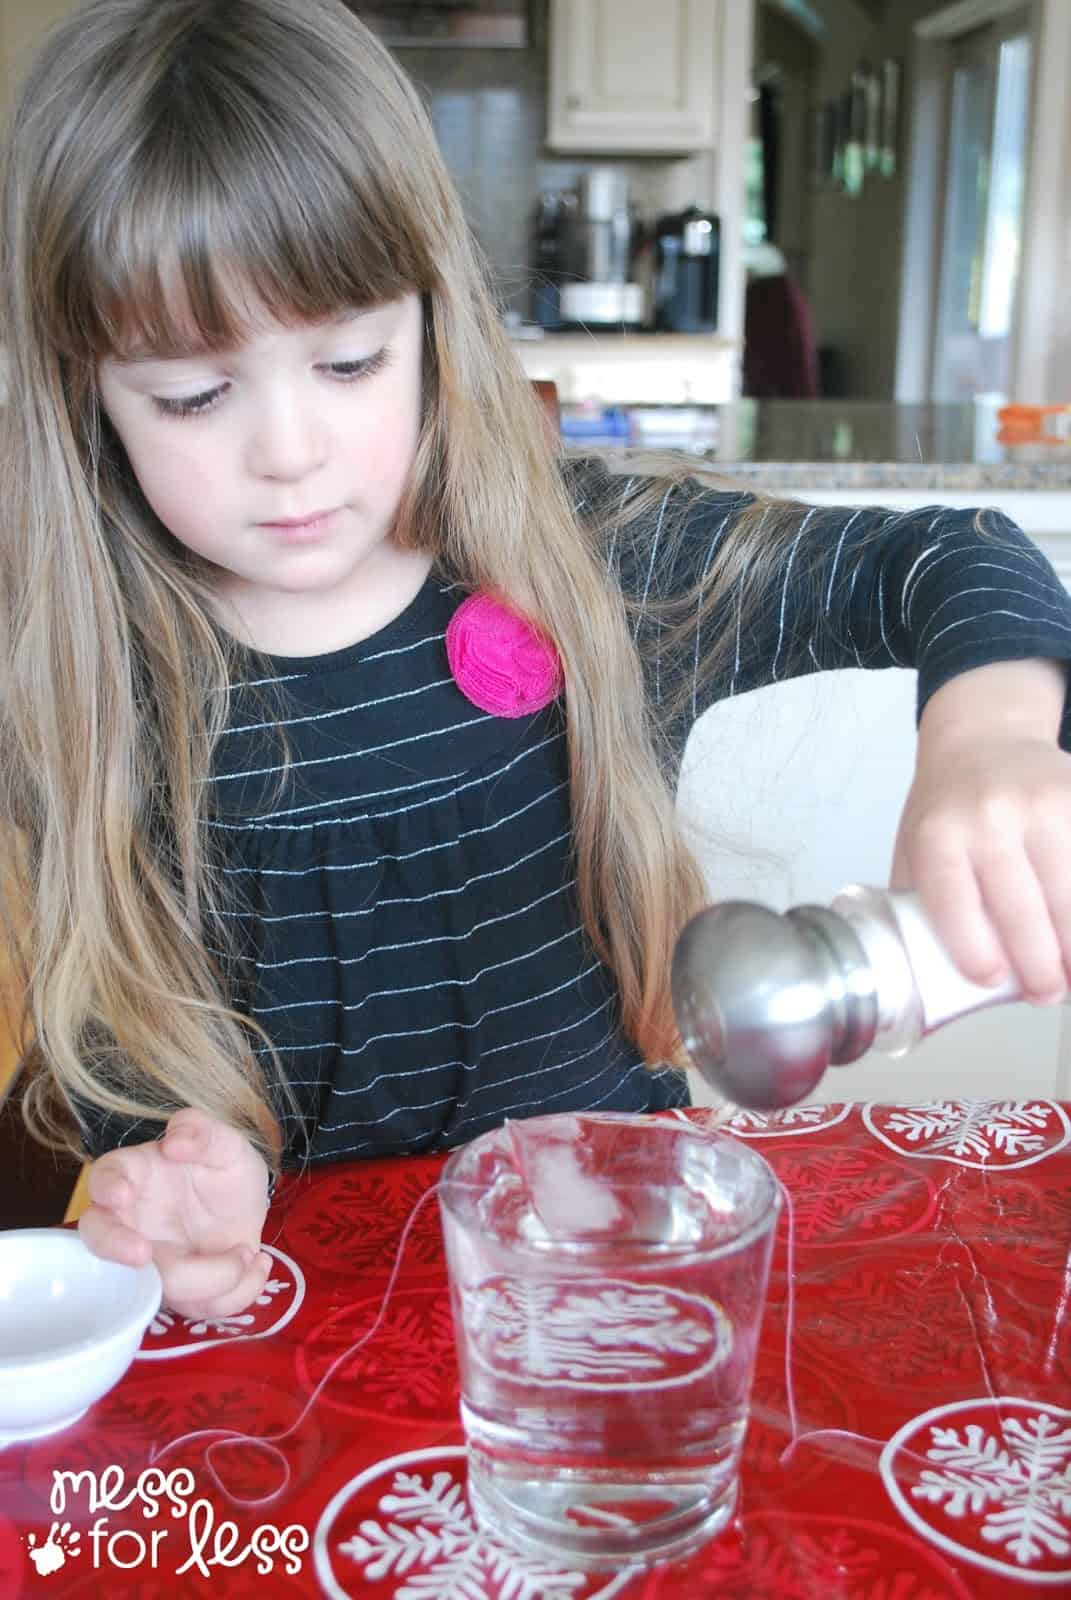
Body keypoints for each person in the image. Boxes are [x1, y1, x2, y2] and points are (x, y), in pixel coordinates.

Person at [3, 0, 1071, 1323]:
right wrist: (168, 1192)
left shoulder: (585, 563)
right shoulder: (79, 669)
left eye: (347, 361)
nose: (289, 451)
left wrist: (993, 741)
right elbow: (124, 1080)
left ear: (433, 319)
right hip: (306, 1327)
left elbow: (956, 557)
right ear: (82, 393)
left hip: (614, 1287)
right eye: (193, 395)